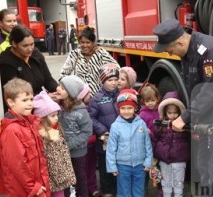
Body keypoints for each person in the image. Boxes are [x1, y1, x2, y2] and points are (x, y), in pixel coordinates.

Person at [152, 19, 213, 197]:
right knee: (203, 165)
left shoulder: (209, 51)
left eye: (169, 49)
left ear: (179, 42)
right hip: (208, 115)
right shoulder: (188, 52)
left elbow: (212, 91)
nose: (169, 53)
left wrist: (185, 117)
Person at [0, 78, 50, 197]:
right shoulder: (11, 131)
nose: (30, 103)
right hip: (25, 191)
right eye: (24, 100)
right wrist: (34, 187)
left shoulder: (30, 124)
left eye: (31, 99)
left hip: (38, 188)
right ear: (11, 102)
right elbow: (18, 165)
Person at [0, 25, 58, 111]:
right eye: (25, 46)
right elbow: (16, 95)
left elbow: (48, 80)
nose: (30, 49)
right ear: (14, 43)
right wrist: (43, 98)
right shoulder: (6, 62)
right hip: (22, 109)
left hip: (42, 103)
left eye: (32, 44)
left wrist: (59, 91)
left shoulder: (36, 54)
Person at [106, 89, 153, 197]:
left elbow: (147, 144)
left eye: (129, 108)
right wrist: (112, 166)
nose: (126, 111)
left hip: (140, 165)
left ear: (135, 108)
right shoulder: (115, 126)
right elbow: (111, 148)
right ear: (118, 109)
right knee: (123, 191)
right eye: (123, 108)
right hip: (123, 166)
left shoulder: (141, 123)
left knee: (139, 191)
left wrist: (148, 161)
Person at [33, 91, 76, 197]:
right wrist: (60, 176)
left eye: (57, 114)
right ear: (42, 118)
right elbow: (50, 159)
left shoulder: (57, 129)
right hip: (54, 178)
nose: (56, 118)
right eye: (53, 116)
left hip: (62, 175)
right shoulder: (42, 136)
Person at [57, 75, 93, 197]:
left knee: (80, 178)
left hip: (78, 151)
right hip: (63, 151)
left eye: (62, 88)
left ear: (70, 92)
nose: (57, 89)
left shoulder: (81, 111)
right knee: (65, 178)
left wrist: (70, 144)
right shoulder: (59, 107)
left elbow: (87, 132)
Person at [88, 63, 120, 197]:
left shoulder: (122, 95)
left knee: (119, 166)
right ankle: (107, 191)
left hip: (121, 140)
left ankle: (119, 190)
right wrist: (102, 130)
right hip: (104, 141)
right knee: (105, 167)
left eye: (115, 80)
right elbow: (91, 118)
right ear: (102, 80)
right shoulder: (97, 98)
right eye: (109, 80)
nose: (113, 83)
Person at [60, 26, 119, 97]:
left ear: (93, 43)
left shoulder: (101, 53)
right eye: (82, 42)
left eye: (88, 42)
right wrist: (70, 90)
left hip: (99, 98)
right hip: (79, 99)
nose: (85, 45)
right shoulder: (74, 54)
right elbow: (63, 74)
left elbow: (117, 69)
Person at [153, 91, 190, 197]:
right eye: (169, 113)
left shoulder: (185, 126)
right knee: (166, 183)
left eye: (175, 113)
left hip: (179, 160)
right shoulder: (160, 125)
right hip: (164, 160)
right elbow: (154, 140)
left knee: (178, 183)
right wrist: (153, 156)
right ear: (165, 112)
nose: (172, 115)